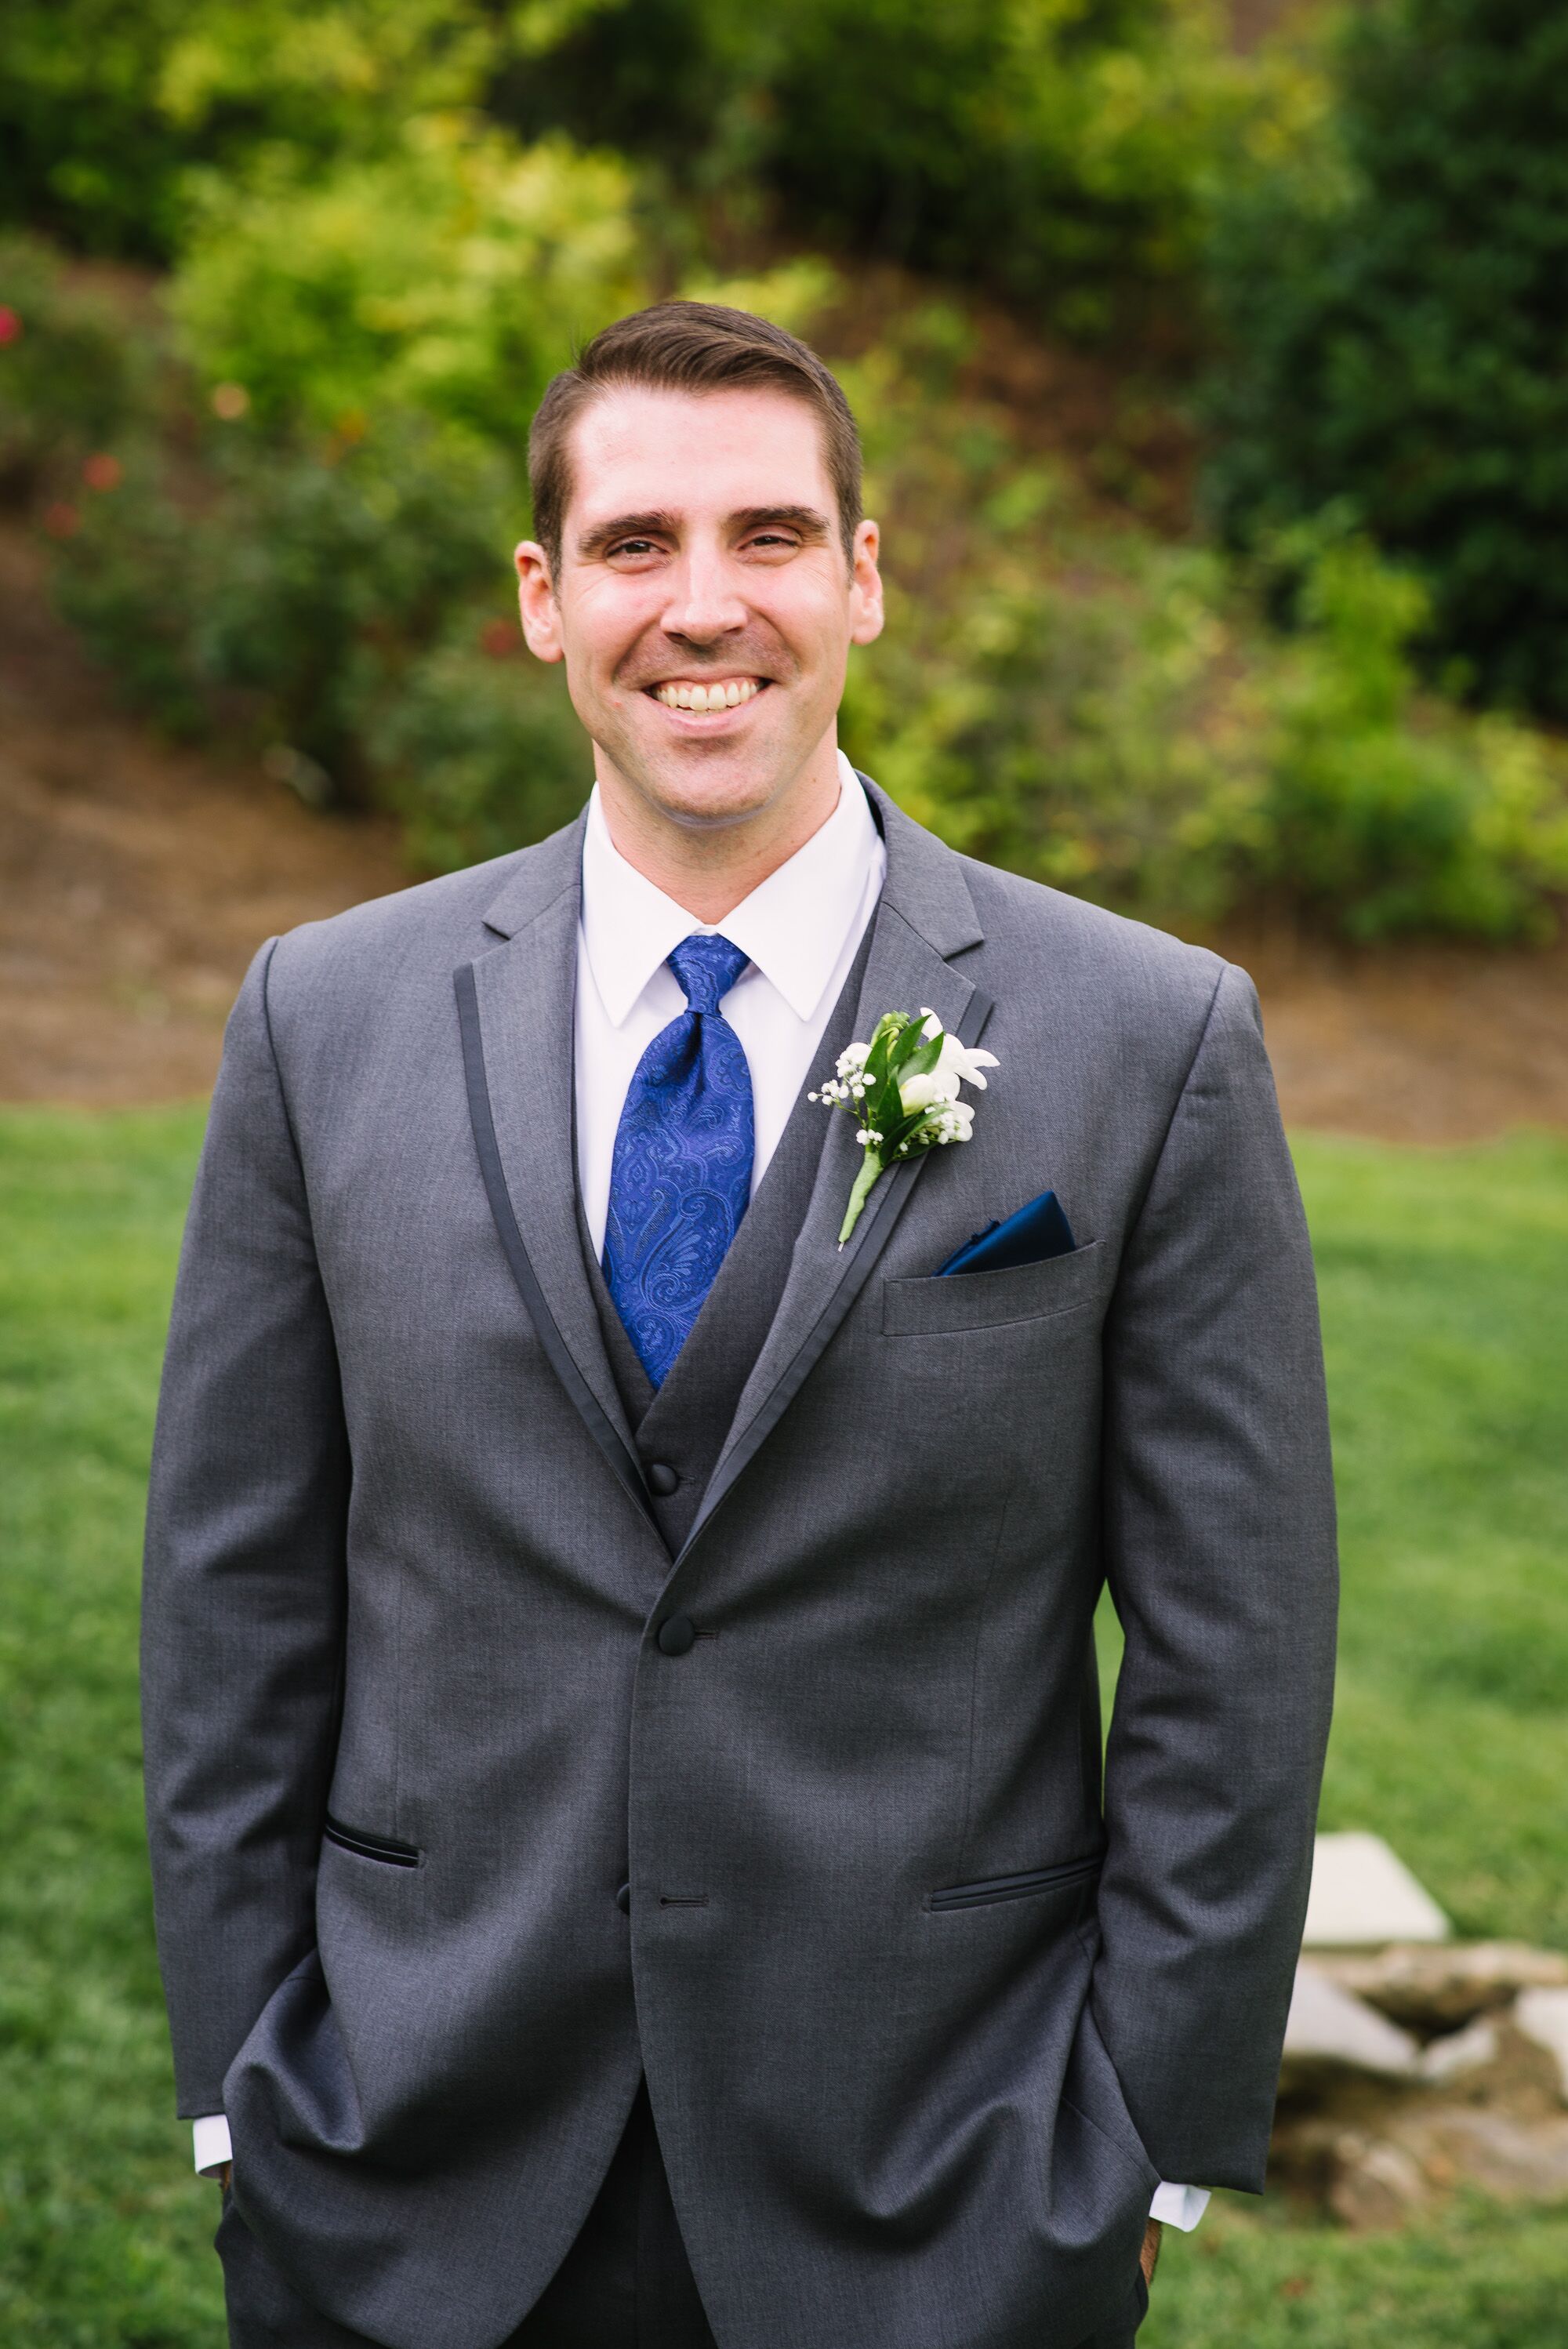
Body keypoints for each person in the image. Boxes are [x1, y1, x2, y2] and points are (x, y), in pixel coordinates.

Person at [141, 301, 1338, 2349]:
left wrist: (1137, 2131)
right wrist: (246, 2096)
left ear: (865, 576)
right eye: (634, 545)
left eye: (772, 535)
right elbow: (232, 1596)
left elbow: (1236, 1646)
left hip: (940, 2179)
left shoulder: (1147, 1040)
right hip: (402, 2168)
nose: (706, 607)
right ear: (543, 599)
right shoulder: (321, 1018)